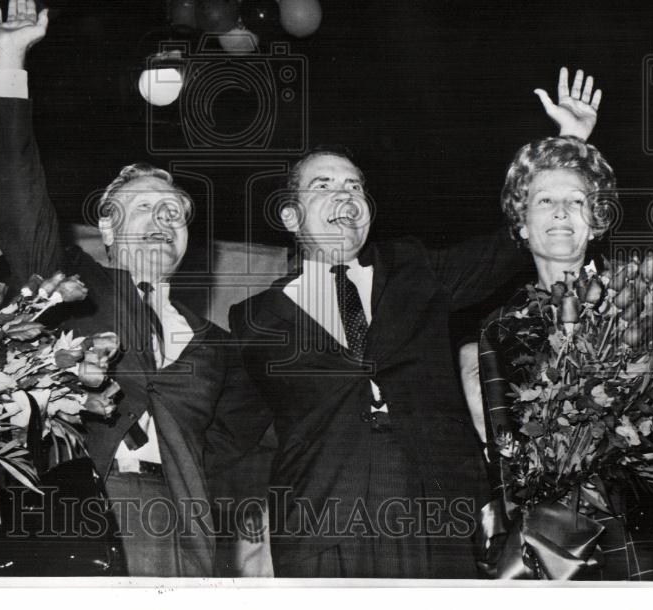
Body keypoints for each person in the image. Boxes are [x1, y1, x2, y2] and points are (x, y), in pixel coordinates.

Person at [221, 70, 602, 578]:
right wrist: (252, 530)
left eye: (353, 185)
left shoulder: (413, 266)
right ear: (291, 218)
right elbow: (230, 439)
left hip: (440, 515)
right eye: (323, 185)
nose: (344, 194)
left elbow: (508, 240)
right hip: (322, 528)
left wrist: (569, 143)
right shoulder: (253, 319)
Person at [0, 0, 231, 577]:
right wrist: (10, 56)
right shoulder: (74, 286)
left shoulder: (213, 342)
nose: (167, 222)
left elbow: (241, 442)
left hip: (191, 531)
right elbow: (19, 203)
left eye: (177, 214)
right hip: (89, 507)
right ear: (110, 229)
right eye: (148, 208)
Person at [474, 136, 653, 579]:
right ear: (521, 225)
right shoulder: (498, 327)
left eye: (577, 201)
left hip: (651, 525)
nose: (560, 212)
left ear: (596, 223)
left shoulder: (644, 299)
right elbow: (505, 447)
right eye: (545, 200)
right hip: (556, 540)